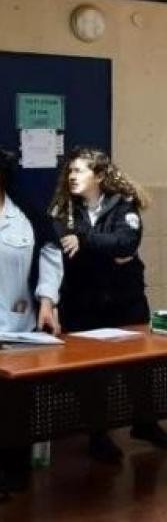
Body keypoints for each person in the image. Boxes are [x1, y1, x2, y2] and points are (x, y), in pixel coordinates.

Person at [50, 148, 167, 462]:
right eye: (70, 171)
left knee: (139, 369)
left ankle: (145, 424)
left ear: (99, 176)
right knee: (92, 376)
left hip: (125, 303)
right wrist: (107, 251)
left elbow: (126, 243)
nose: (72, 177)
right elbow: (66, 246)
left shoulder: (123, 206)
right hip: (83, 304)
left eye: (80, 171)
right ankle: (98, 436)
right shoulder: (63, 209)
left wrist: (86, 240)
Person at [0, 148, 62, 492]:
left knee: (15, 407)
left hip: (18, 331)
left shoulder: (25, 213)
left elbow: (50, 251)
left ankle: (14, 471)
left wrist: (47, 300)